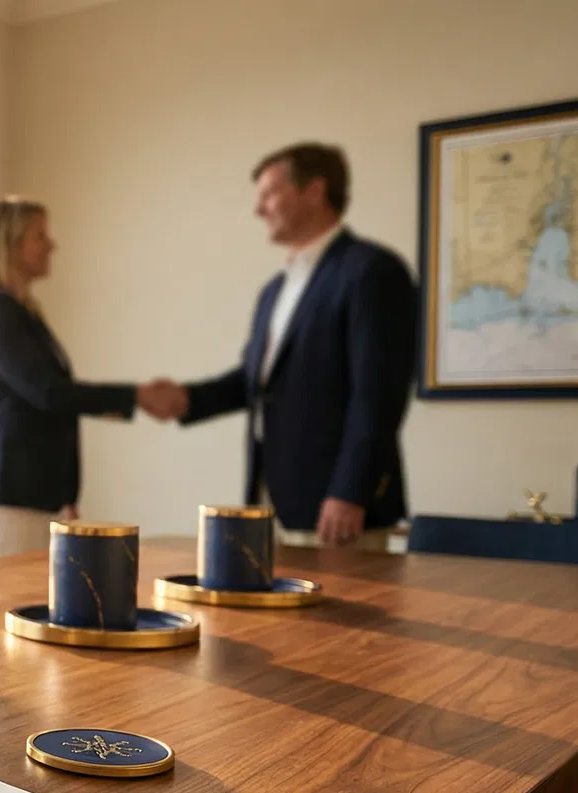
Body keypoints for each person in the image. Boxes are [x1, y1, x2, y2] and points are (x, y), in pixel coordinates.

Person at [143, 143, 416, 549]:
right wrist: (186, 399)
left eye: (270, 194)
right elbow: (256, 382)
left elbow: (377, 395)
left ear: (314, 191)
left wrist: (350, 491)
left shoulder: (371, 271)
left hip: (336, 511)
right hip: (271, 503)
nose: (259, 210)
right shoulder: (274, 290)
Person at [0, 196, 180, 554]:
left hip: (33, 496)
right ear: (8, 244)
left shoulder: (21, 312)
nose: (52, 245)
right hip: (10, 492)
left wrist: (62, 497)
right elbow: (49, 393)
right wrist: (137, 396)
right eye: (39, 236)